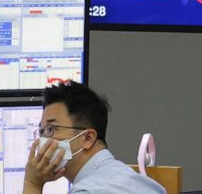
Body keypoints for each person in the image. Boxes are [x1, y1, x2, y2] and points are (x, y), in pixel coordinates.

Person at [22, 81, 166, 194]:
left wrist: (32, 184)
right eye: (41, 132)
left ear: (88, 138)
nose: (42, 140)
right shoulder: (147, 184)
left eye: (51, 129)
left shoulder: (87, 191)